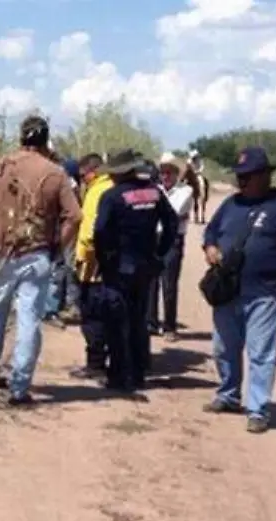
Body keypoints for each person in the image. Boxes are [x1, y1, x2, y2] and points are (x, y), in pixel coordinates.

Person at [0, 115, 82, 405]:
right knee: (29, 320)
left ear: (21, 138)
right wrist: (58, 249)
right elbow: (75, 216)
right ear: (45, 140)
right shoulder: (55, 174)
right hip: (37, 253)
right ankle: (19, 388)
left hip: (1, 253)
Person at [201, 146, 276, 433]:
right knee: (224, 348)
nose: (242, 182)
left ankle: (258, 408)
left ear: (265, 175)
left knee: (262, 353)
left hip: (265, 293)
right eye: (240, 176)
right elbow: (210, 232)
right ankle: (228, 395)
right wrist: (211, 247)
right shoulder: (231, 204)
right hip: (228, 290)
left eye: (248, 176)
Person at [93, 149, 180, 392]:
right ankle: (139, 371)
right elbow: (171, 223)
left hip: (119, 267)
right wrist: (160, 253)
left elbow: (100, 232)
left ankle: (119, 376)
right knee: (138, 319)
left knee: (116, 320)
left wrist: (104, 260)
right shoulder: (154, 191)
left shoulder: (111, 196)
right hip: (146, 265)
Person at [71, 152, 111, 379]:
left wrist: (83, 259)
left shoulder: (97, 191)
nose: (81, 180)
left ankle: (95, 365)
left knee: (91, 314)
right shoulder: (111, 187)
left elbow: (89, 233)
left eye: (82, 175)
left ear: (92, 172)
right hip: (110, 264)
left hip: (92, 266)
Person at [148, 152, 194, 340]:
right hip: (153, 237)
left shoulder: (186, 191)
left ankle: (169, 325)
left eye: (169, 172)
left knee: (169, 283)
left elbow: (173, 212)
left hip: (173, 239)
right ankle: (150, 322)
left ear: (176, 174)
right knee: (151, 282)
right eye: (163, 172)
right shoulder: (155, 189)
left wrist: (155, 211)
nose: (165, 176)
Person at [43, 158, 84, 323]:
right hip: (64, 230)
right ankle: (56, 307)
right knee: (62, 268)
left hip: (64, 230)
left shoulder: (66, 182)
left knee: (64, 267)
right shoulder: (67, 183)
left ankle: (61, 306)